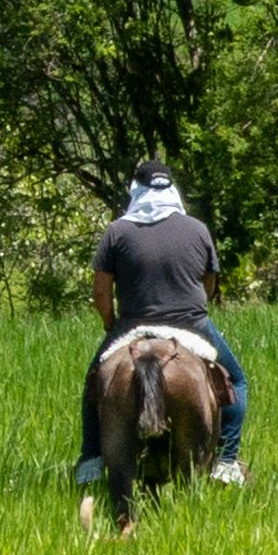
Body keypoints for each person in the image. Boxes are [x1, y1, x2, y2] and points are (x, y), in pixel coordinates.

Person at [72, 162, 248, 491]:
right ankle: (226, 460)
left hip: (133, 326)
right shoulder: (197, 229)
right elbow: (209, 283)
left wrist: (110, 323)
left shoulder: (117, 231)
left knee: (94, 383)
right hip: (191, 325)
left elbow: (101, 291)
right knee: (236, 381)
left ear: (136, 190)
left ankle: (91, 459)